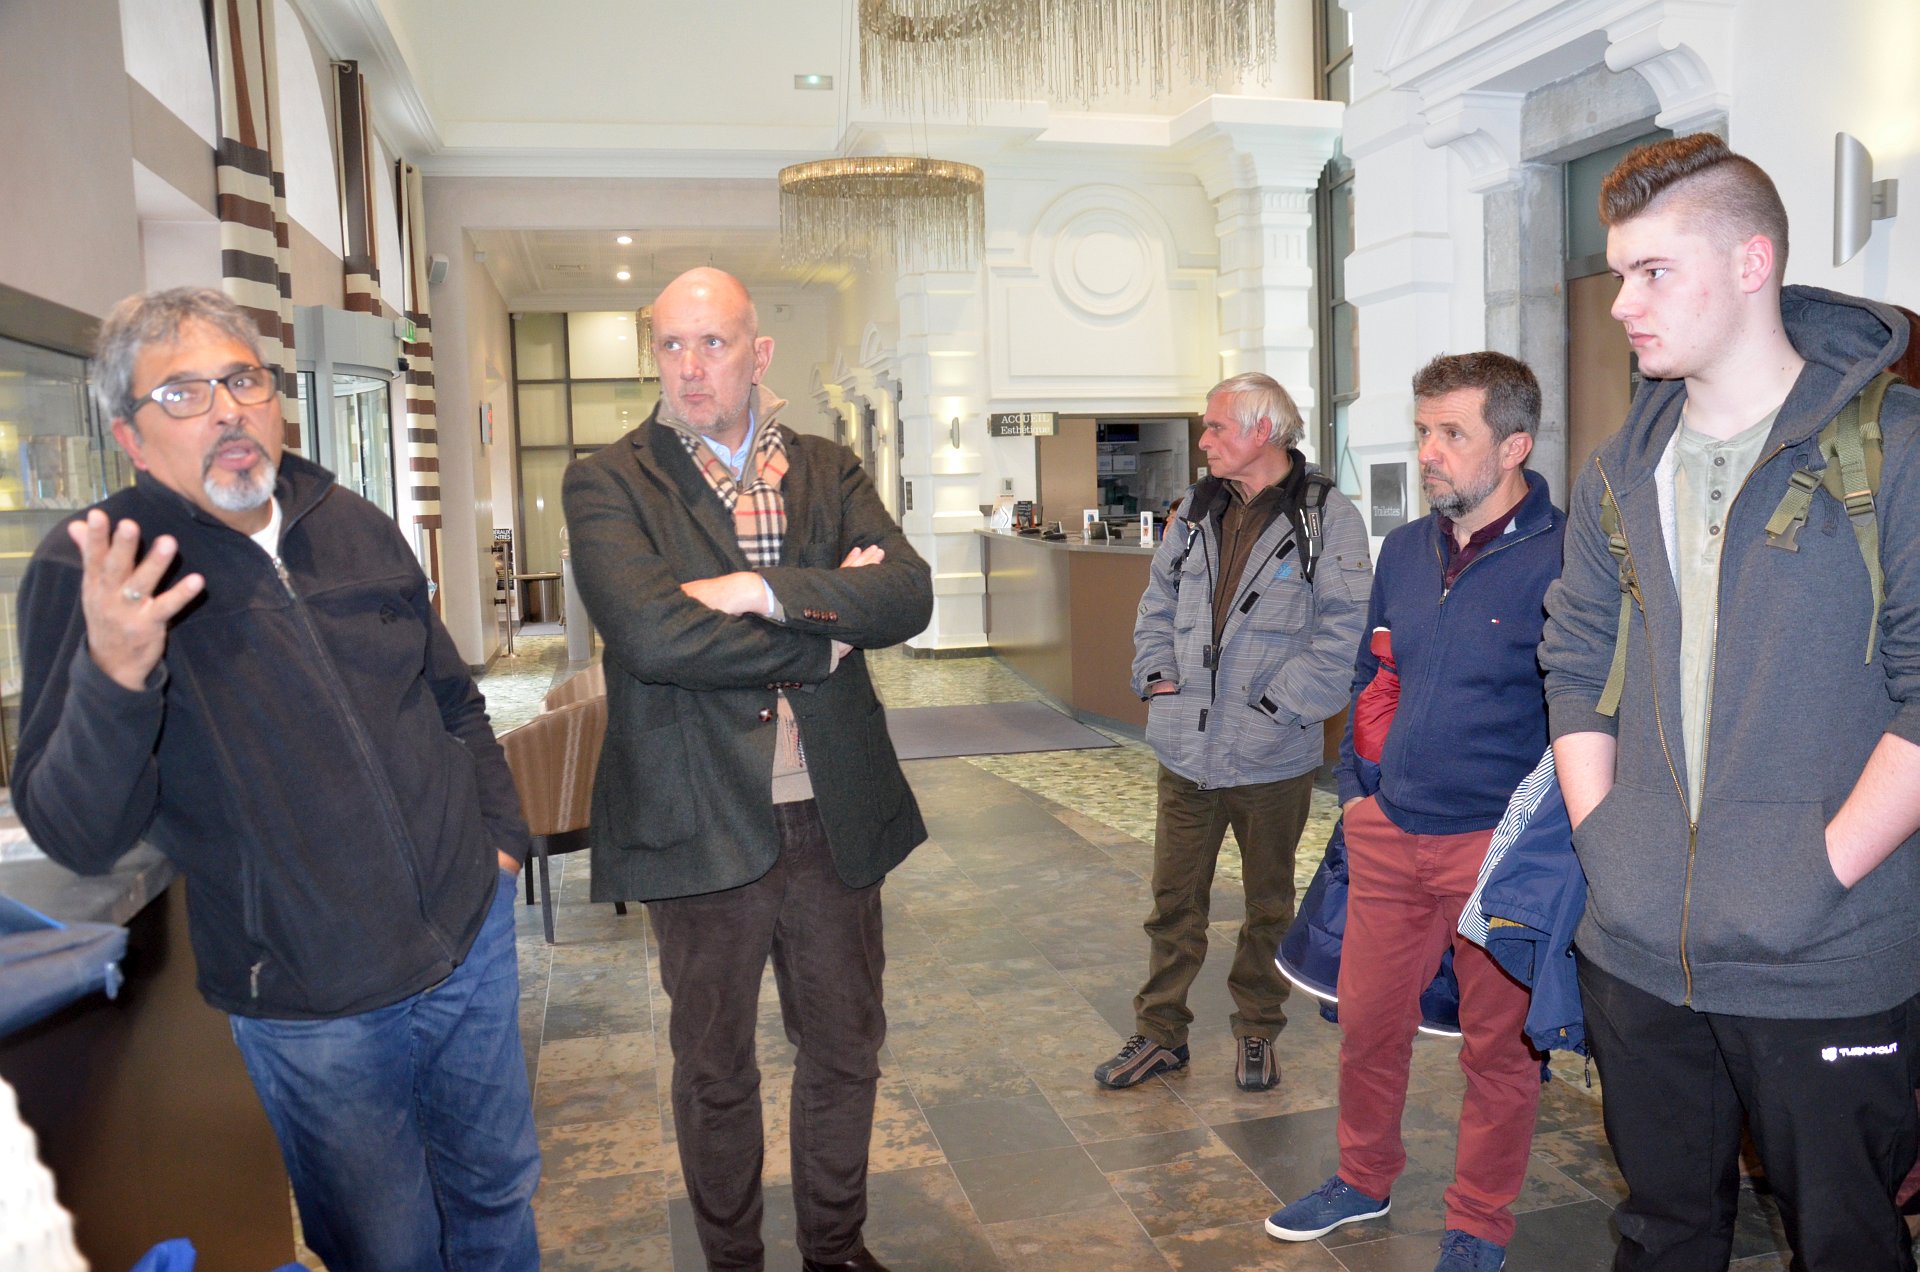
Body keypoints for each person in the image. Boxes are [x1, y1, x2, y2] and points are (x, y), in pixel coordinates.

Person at [11, 287, 539, 1270]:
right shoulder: (94, 571)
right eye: (182, 394)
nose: (226, 411)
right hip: (312, 999)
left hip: (468, 938)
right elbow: (77, 833)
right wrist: (117, 677)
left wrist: (500, 843)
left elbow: (452, 698)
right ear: (129, 438)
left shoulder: (352, 521)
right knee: (386, 1248)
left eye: (242, 380)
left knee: (497, 1197)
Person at [1542, 134, 1920, 1269]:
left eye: (1655, 272)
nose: (1624, 304)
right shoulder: (1618, 470)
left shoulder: (1897, 453)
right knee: (1661, 1234)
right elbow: (1576, 659)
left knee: (1847, 1244)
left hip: (1827, 952)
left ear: (1753, 263)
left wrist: (1815, 872)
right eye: (1621, 273)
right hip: (1638, 950)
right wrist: (1607, 840)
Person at [563, 267, 932, 1272]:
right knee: (715, 1067)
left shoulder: (827, 467)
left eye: (713, 343)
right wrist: (824, 627)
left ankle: (835, 1250)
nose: (690, 367)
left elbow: (907, 595)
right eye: (671, 344)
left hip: (831, 811)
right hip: (696, 813)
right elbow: (651, 636)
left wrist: (751, 591)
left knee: (846, 1047)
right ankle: (734, 1262)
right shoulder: (608, 481)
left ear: (758, 353)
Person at [1265, 352, 1564, 1272]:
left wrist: (1536, 843)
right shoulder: (1402, 551)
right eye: (1423, 430)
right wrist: (1360, 796)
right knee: (1367, 1027)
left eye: (1451, 434)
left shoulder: (1566, 560)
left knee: (1499, 1054)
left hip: (1497, 854)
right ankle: (1363, 1179)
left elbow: (1584, 714)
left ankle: (1478, 1224)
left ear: (1513, 446)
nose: (1428, 451)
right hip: (1390, 836)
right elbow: (1372, 673)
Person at [1094, 372, 1371, 1094]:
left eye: (1217, 427)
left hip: (1271, 753)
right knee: (1173, 904)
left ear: (1263, 431)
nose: (1205, 441)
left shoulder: (1325, 517)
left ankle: (1258, 1030)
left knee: (1268, 906)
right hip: (1185, 747)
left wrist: (1277, 706)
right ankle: (1160, 1033)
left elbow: (1346, 631)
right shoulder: (1195, 510)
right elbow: (1156, 602)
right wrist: (1156, 672)